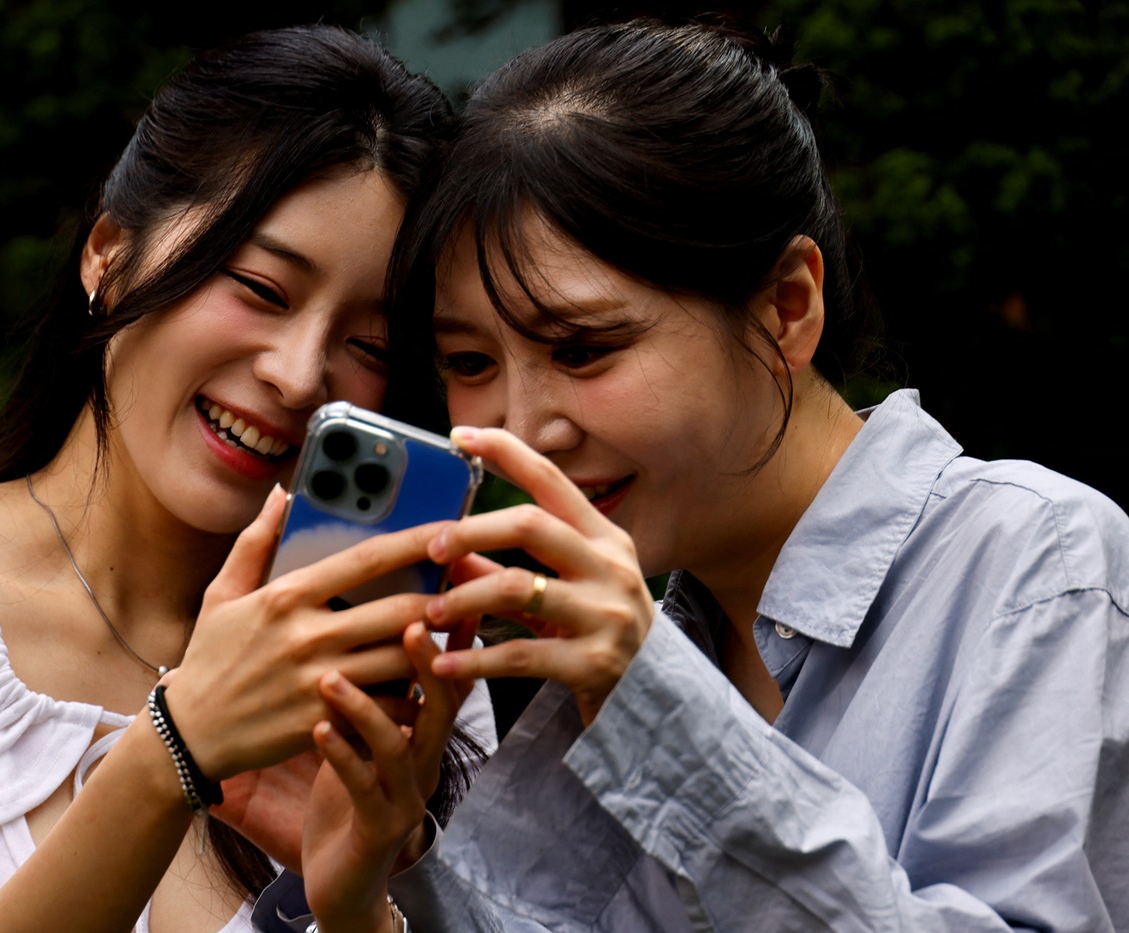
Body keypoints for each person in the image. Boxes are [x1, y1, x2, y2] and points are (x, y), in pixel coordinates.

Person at [279, 17, 1129, 932]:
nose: (523, 432)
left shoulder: (1047, 566)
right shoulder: (624, 645)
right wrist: (376, 884)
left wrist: (660, 713)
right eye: (470, 364)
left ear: (785, 308)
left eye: (583, 347)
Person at [0, 25, 494, 933]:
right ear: (108, 249)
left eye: (367, 344)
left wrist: (358, 901)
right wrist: (176, 748)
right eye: (259, 287)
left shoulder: (388, 659)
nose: (298, 374)